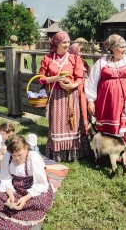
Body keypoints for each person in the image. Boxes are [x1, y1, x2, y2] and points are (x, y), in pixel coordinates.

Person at [85, 34, 126, 170]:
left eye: (125, 46)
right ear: (113, 48)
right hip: (107, 104)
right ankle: (107, 155)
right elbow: (92, 82)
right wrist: (91, 100)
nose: (124, 49)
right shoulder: (102, 62)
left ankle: (125, 159)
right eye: (121, 47)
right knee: (107, 130)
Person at [0, 135, 53, 229]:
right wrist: (10, 195)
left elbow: (41, 183)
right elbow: (5, 178)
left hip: (32, 186)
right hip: (14, 186)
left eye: (20, 154)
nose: (17, 158)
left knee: (40, 202)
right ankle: (16, 209)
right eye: (14, 155)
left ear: (26, 148)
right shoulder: (7, 155)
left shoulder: (34, 157)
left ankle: (19, 211)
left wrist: (25, 198)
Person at [38, 31, 90, 162]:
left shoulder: (74, 59)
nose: (67, 45)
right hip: (55, 96)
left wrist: (72, 85)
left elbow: (80, 78)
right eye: (64, 42)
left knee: (72, 124)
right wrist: (56, 78)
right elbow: (40, 79)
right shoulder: (48, 59)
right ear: (57, 44)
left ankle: (73, 153)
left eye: (68, 42)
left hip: (71, 95)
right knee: (57, 124)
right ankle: (58, 154)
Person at [69, 42, 91, 134]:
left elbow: (86, 74)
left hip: (83, 89)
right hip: (74, 88)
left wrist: (86, 79)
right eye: (79, 51)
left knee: (83, 110)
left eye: (82, 51)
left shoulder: (83, 62)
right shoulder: (69, 61)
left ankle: (83, 136)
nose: (81, 53)